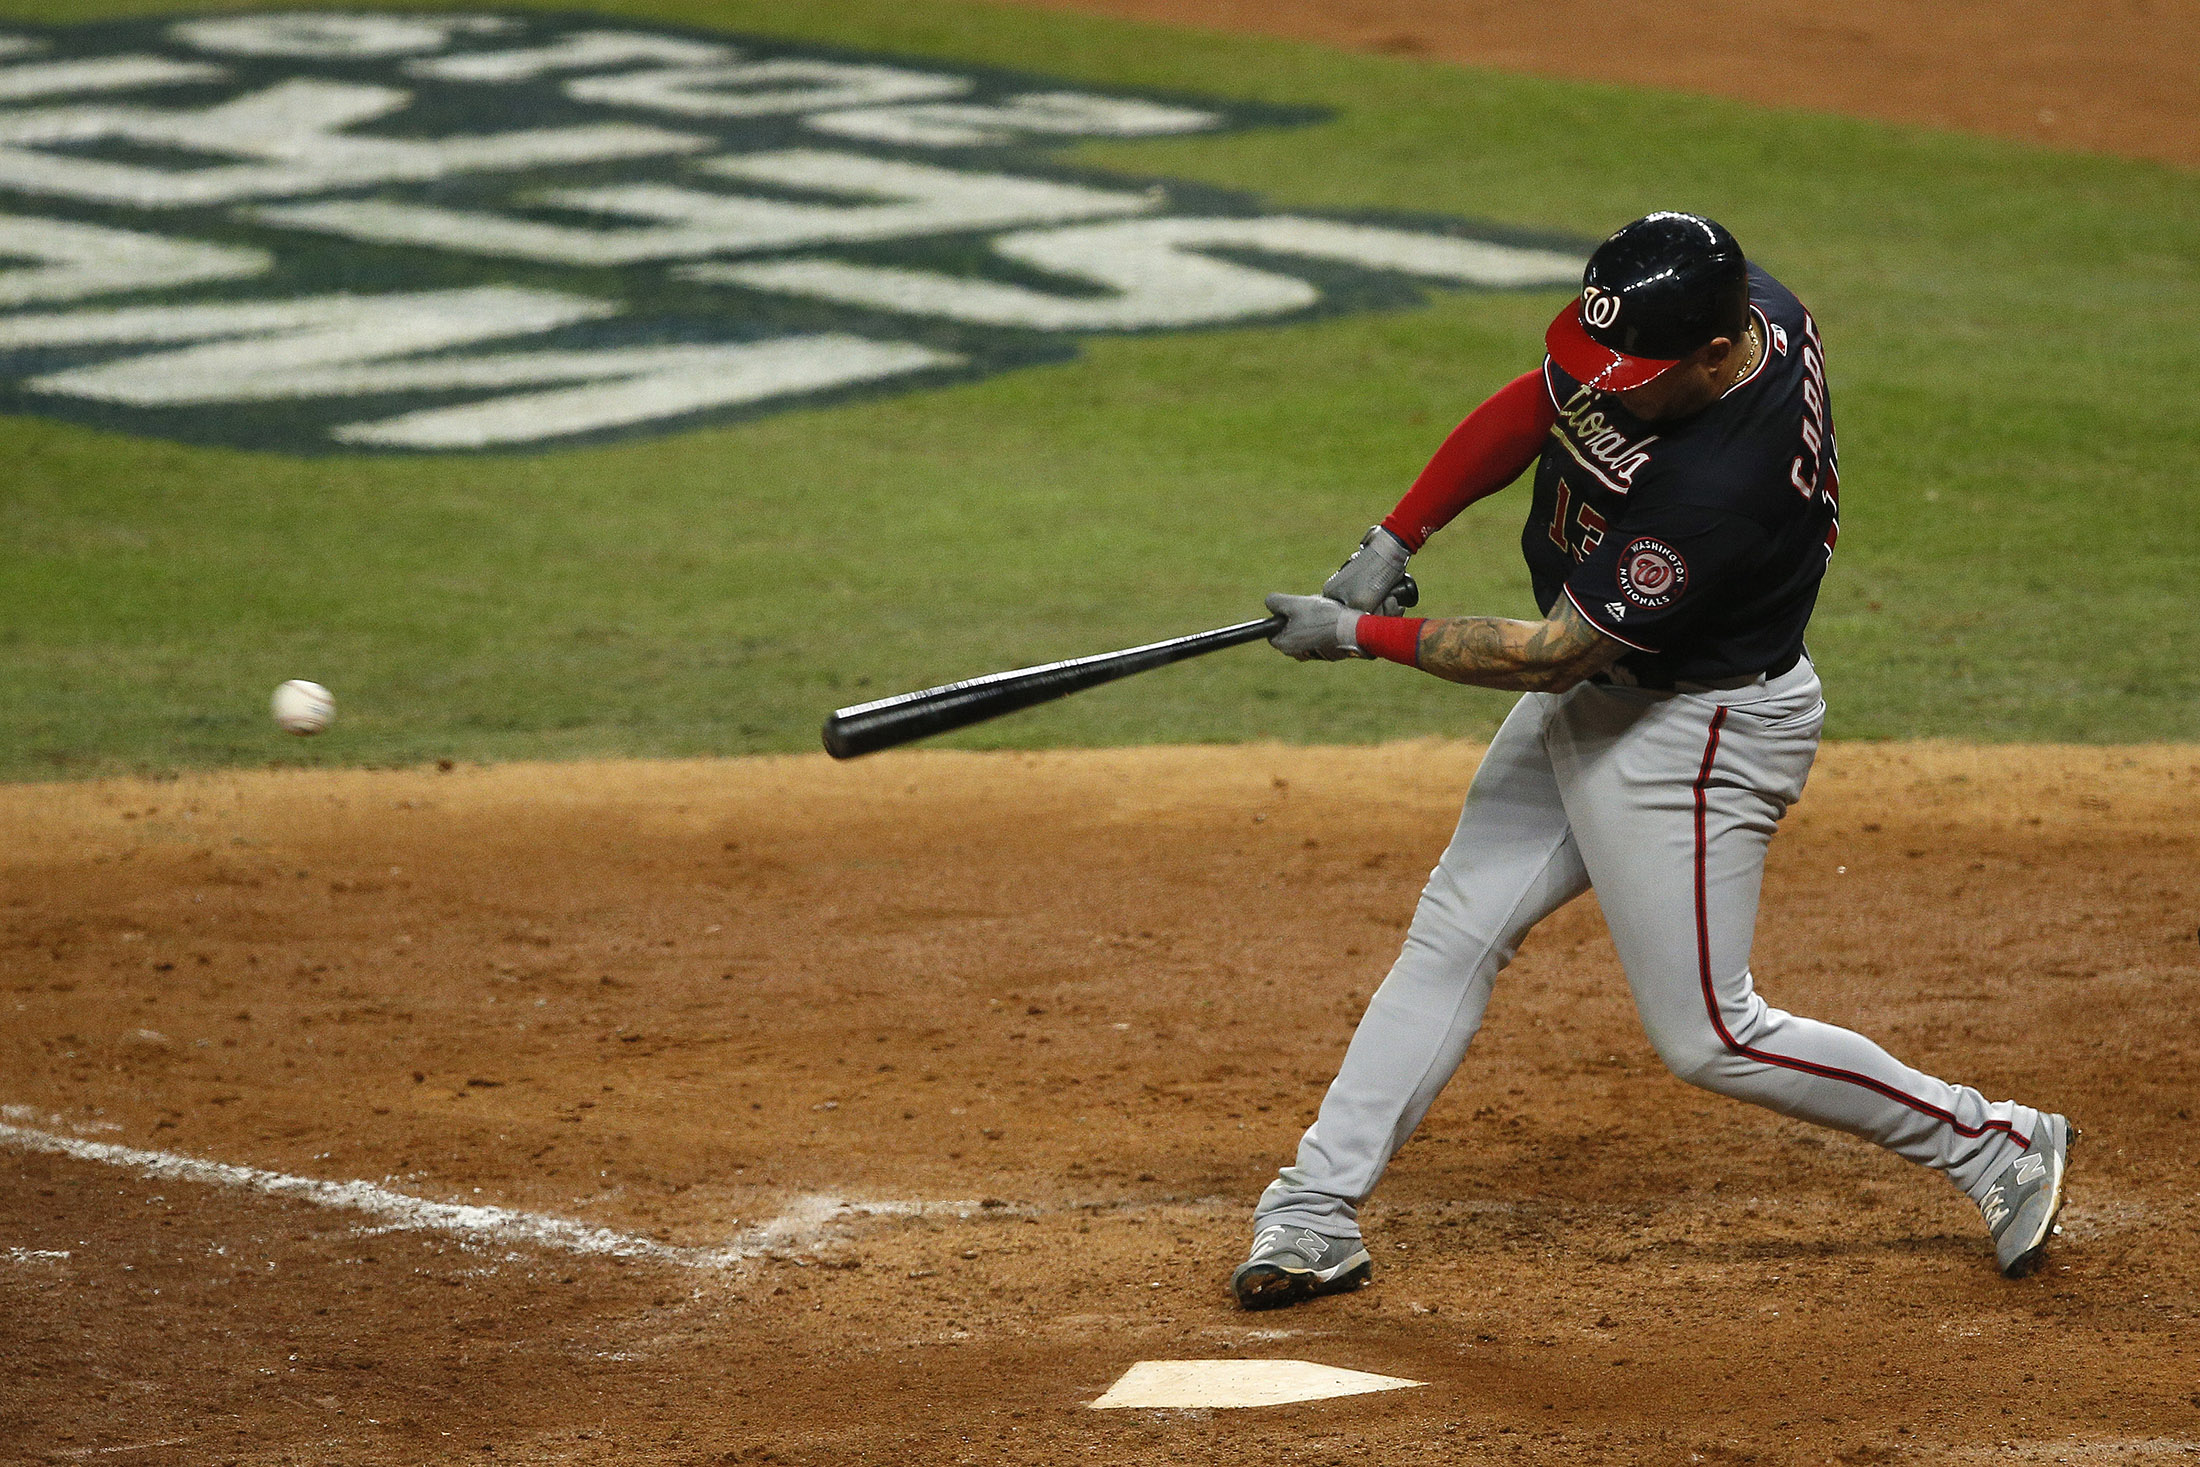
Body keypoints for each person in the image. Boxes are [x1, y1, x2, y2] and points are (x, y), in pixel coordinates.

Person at [1235, 211, 2071, 1310]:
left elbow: (1552, 654)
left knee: (1710, 1035)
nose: (1607, 389)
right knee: (1457, 926)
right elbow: (1547, 396)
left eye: (1633, 376)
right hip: (1612, 692)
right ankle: (1313, 1206)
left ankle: (1994, 1142)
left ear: (1717, 359)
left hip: (1696, 731)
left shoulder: (1721, 489)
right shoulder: (1736, 306)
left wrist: (1358, 636)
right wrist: (1398, 535)